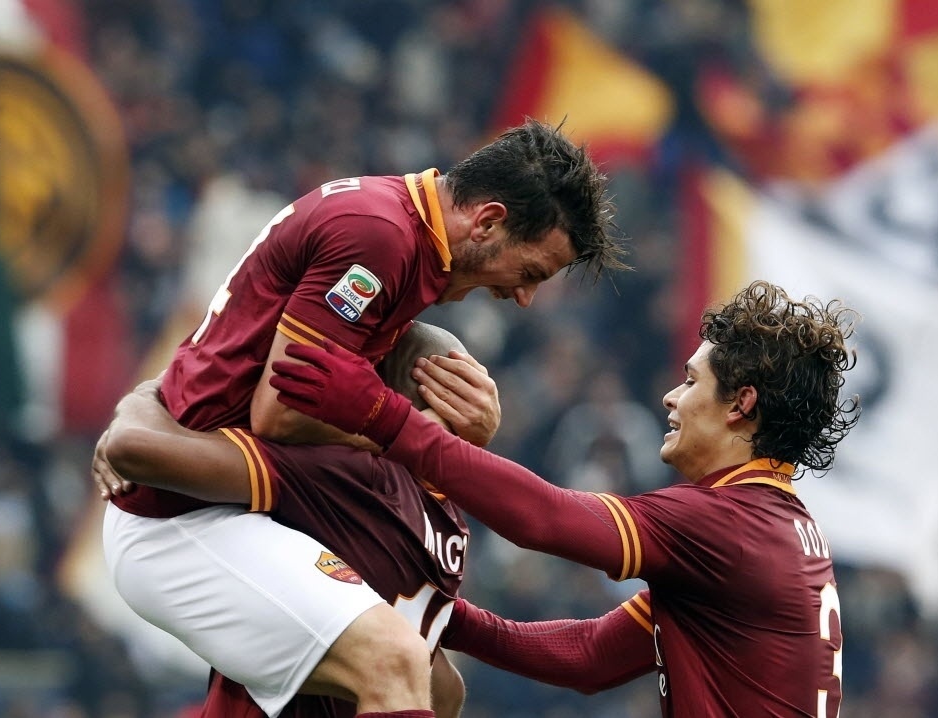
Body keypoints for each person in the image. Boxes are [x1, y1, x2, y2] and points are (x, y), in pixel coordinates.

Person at [98, 118, 625, 717]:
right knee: (393, 659)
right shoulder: (382, 236)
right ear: (487, 222)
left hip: (236, 501)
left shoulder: (400, 233)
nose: (525, 297)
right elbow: (283, 407)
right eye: (530, 273)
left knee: (431, 682)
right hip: (187, 508)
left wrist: (139, 405)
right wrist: (415, 432)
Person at [269, 280, 861, 717]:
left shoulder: (726, 526)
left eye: (690, 381)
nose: (670, 398)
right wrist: (434, 608)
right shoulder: (775, 526)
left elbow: (544, 518)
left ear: (741, 404)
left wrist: (384, 415)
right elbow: (590, 656)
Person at [98, 323, 476, 717]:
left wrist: (141, 401)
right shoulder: (452, 527)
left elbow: (136, 449)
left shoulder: (338, 472)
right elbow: (449, 687)